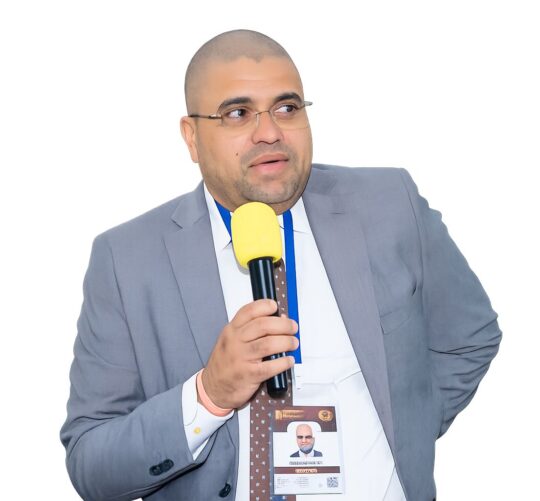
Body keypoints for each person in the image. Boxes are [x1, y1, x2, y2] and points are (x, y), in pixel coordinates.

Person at [60, 29, 502, 500]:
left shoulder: (391, 205)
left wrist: (402, 431)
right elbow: (91, 463)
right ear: (192, 137)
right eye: (238, 113)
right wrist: (208, 396)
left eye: (287, 108)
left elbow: (470, 338)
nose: (269, 131)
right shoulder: (127, 260)